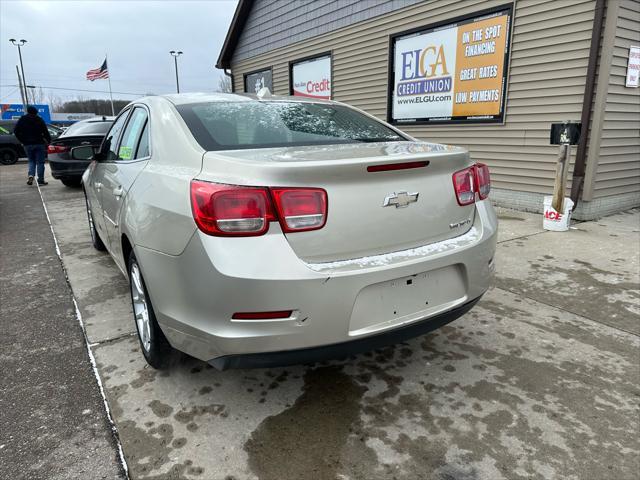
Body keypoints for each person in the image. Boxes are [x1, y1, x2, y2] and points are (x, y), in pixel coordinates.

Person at [13, 106, 51, 185]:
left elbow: (16, 131)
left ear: (28, 111)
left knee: (31, 161)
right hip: (39, 143)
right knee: (40, 162)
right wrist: (49, 142)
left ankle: (31, 175)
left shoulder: (22, 119)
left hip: (27, 144)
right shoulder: (39, 119)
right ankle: (40, 180)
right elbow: (45, 132)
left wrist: (22, 140)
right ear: (36, 112)